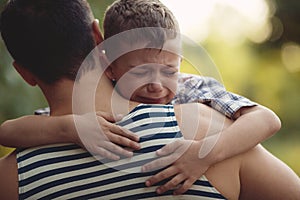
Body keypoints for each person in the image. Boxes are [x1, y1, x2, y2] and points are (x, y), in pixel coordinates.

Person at [0, 0, 299, 199]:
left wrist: (67, 129)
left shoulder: (11, 178)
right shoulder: (207, 128)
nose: (157, 84)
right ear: (99, 38)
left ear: (24, 72)